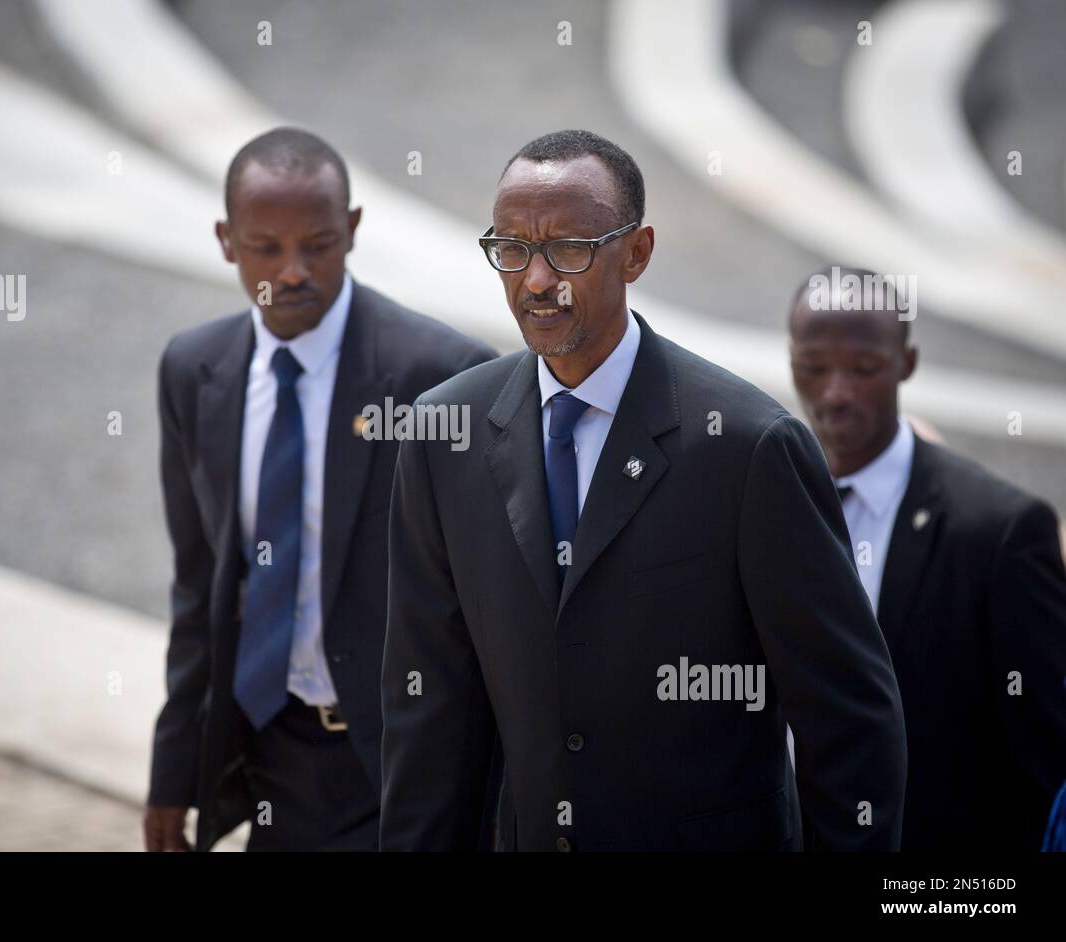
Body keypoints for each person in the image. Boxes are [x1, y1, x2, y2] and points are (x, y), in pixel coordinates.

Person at [379, 130, 907, 851]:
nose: (536, 280)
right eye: (511, 248)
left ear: (637, 251)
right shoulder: (444, 435)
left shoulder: (751, 448)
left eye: (569, 248)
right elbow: (430, 713)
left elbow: (850, 720)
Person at [145, 128, 495, 851]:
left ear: (355, 231)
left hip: (406, 770)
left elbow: (494, 603)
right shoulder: (194, 370)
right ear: (225, 241)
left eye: (320, 243)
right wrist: (172, 778)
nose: (294, 270)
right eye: (266, 247)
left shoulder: (443, 375)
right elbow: (198, 588)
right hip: (274, 764)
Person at [789, 267, 1066, 850]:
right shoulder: (763, 494)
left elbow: (1042, 760)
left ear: (907, 363)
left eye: (863, 369)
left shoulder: (1001, 533)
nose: (835, 392)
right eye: (814, 368)